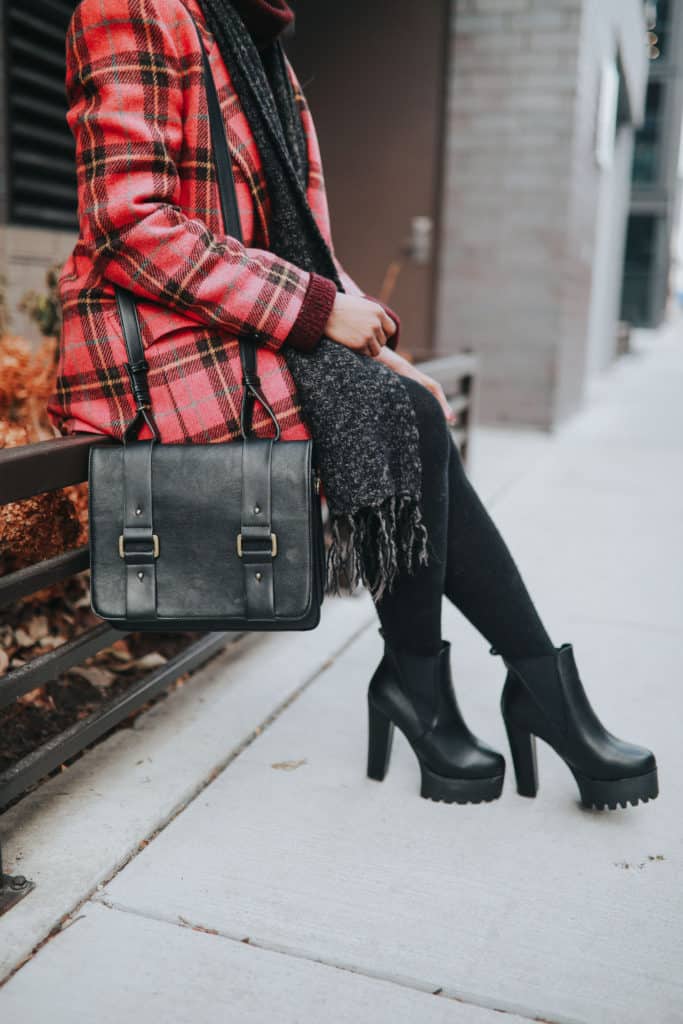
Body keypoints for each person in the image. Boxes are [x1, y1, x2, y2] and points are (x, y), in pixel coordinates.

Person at [48, 0, 658, 811]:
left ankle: (445, 686)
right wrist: (314, 309)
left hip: (231, 328)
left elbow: (302, 245)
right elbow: (126, 224)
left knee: (407, 407)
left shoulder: (261, 50)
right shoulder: (130, 10)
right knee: (405, 418)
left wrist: (376, 349)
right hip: (155, 357)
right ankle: (506, 691)